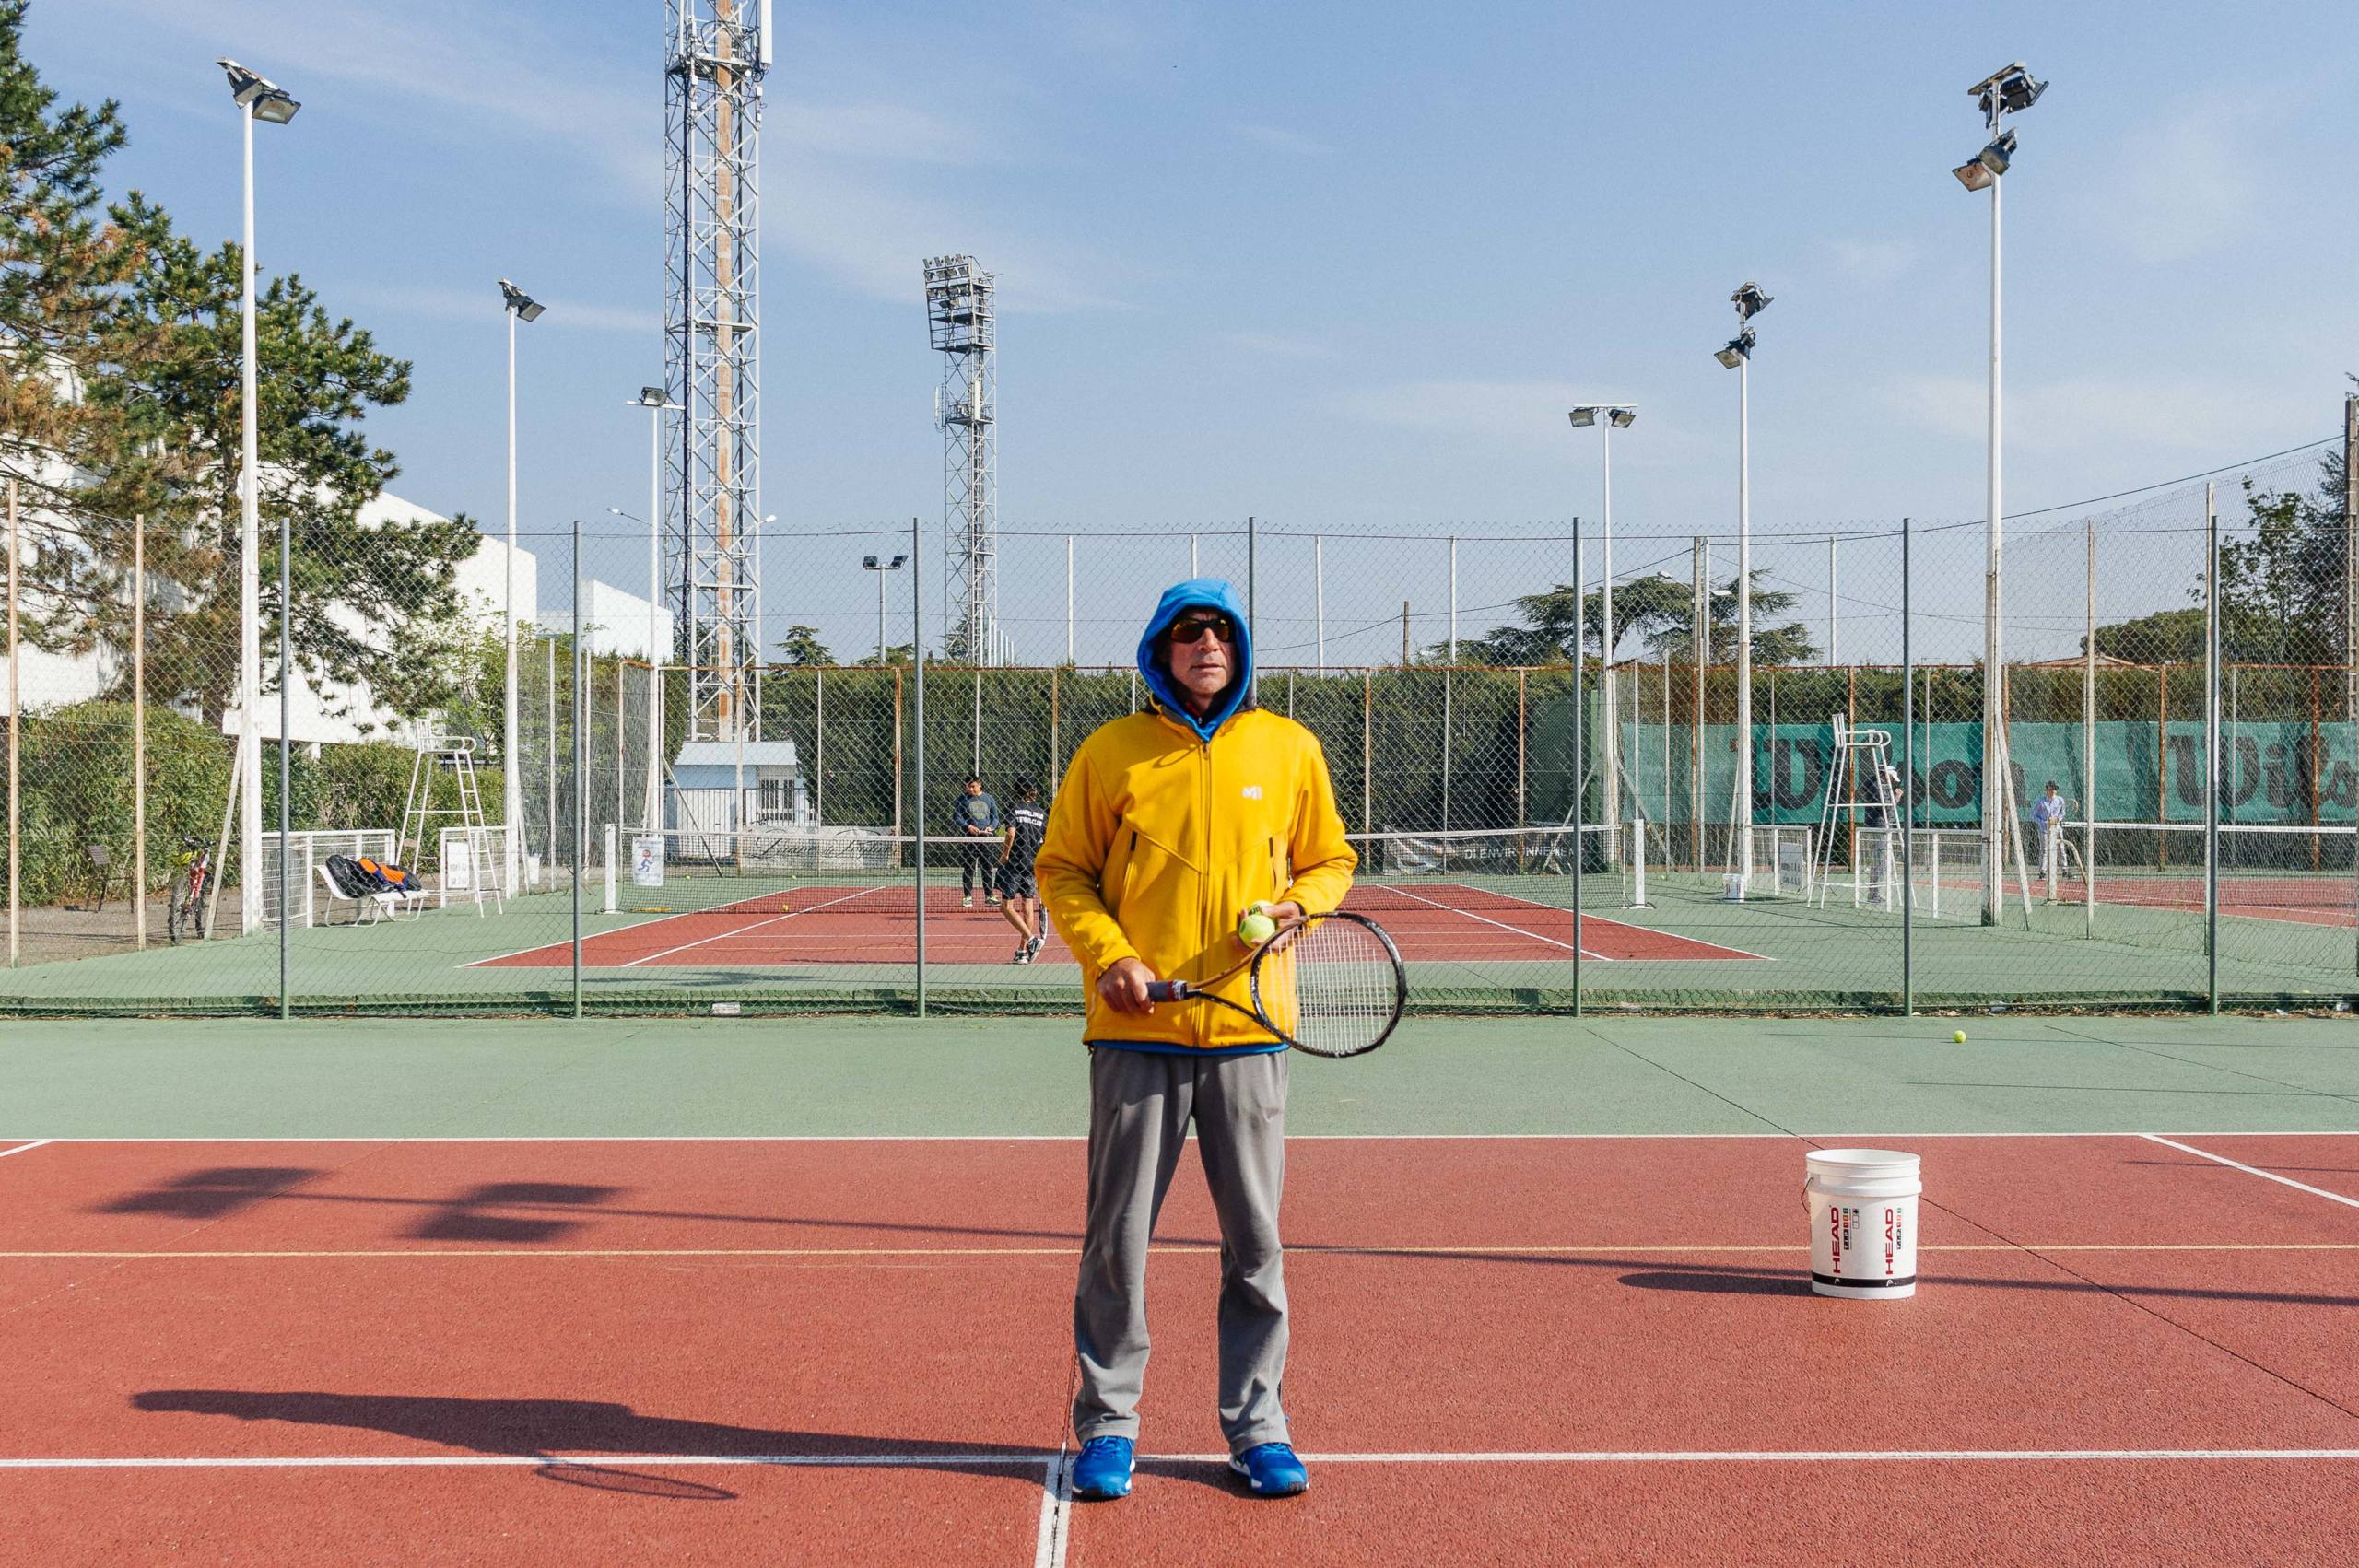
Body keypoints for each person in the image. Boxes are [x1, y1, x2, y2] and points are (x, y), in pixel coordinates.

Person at [1037, 579, 1356, 1504]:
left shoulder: (1288, 748)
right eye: (1187, 632)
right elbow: (1061, 869)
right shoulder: (1112, 752)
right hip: (1136, 1033)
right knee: (1116, 1243)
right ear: (1160, 650)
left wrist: (1307, 902)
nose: (1205, 643)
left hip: (1250, 1034)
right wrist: (1111, 956)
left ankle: (1257, 1427)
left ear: (1240, 646)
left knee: (1255, 1245)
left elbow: (1330, 857)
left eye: (1220, 629)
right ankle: (1107, 1425)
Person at [997, 778, 1050, 964]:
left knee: (1006, 907)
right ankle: (1022, 952)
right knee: (1027, 907)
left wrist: (1005, 854)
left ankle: (1032, 940)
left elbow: (1010, 833)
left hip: (1015, 863)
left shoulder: (1013, 808)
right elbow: (1047, 838)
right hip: (1032, 864)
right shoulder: (1042, 813)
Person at [951, 775, 1002, 908]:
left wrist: (990, 827)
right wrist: (968, 827)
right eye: (968, 786)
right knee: (969, 868)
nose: (970, 789)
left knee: (987, 868)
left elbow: (995, 818)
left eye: (973, 786)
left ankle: (989, 896)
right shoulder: (962, 799)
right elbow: (956, 816)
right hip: (969, 839)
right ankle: (967, 896)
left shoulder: (989, 798)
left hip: (986, 839)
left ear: (979, 785)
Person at [2031, 780, 2069, 900]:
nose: (2052, 791)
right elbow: (2033, 815)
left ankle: (2065, 870)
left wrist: (2057, 819)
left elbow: (2062, 813)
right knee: (2045, 850)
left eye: (2054, 789)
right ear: (2046, 789)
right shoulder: (2041, 801)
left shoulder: (2060, 800)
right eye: (2050, 789)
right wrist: (2043, 822)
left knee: (2061, 849)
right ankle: (2043, 871)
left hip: (2057, 829)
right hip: (2044, 830)